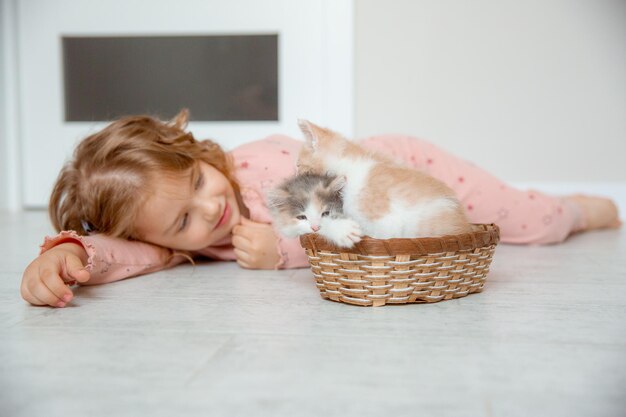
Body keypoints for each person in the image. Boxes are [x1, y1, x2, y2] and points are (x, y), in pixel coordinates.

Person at [20, 110, 621, 308]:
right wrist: (73, 252)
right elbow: (129, 256)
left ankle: (573, 211)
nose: (212, 208)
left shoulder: (260, 166)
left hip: (405, 174)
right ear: (164, 238)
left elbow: (336, 215)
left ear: (195, 153)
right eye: (183, 222)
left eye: (200, 179)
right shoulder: (169, 236)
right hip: (384, 208)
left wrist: (284, 250)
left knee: (523, 222)